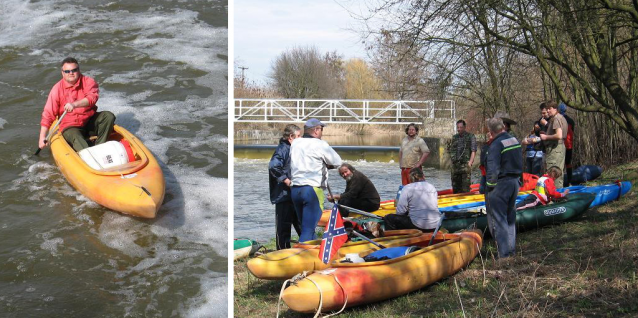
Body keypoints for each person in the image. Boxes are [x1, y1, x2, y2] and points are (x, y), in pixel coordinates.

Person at [39, 57, 115, 152]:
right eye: (67, 71)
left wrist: (74, 104)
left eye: (74, 70)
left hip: (89, 121)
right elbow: (48, 114)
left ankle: (100, 147)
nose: (71, 73)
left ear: (79, 70)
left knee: (108, 116)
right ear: (62, 73)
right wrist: (42, 137)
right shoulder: (56, 89)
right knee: (76, 137)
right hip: (70, 126)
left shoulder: (89, 81)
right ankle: (89, 156)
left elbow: (92, 98)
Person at [290, 118, 342, 242]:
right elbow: (337, 161)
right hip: (312, 190)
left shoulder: (295, 143)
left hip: (295, 189)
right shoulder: (320, 144)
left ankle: (312, 253)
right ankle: (301, 256)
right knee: (308, 230)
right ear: (316, 130)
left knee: (306, 227)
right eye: (321, 129)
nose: (322, 132)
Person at [485, 117, 523, 259]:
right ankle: (511, 251)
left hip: (501, 185)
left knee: (499, 220)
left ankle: (504, 255)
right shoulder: (514, 140)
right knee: (510, 218)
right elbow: (520, 161)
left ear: (490, 131)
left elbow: (493, 169)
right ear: (502, 127)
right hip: (515, 182)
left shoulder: (495, 145)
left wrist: (489, 187)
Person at [268, 124, 302, 250]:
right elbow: (273, 166)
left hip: (293, 195)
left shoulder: (293, 148)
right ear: (291, 137)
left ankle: (308, 251)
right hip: (283, 196)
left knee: (301, 226)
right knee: (283, 230)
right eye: (299, 136)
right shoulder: (283, 149)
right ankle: (282, 253)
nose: (301, 138)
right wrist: (286, 180)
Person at [384, 167, 441, 232]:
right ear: (423, 176)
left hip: (419, 226)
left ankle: (393, 239)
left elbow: (400, 212)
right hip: (436, 225)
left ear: (410, 178)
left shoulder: (407, 188)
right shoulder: (431, 186)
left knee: (388, 218)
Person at [540, 101, 568, 188]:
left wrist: (545, 137)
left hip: (555, 149)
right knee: (558, 172)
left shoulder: (556, 118)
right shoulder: (561, 117)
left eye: (549, 109)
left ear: (555, 109)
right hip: (559, 149)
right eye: (547, 109)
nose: (548, 111)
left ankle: (555, 197)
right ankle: (558, 195)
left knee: (553, 173)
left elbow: (559, 135)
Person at [448, 119, 477, 193]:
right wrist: (452, 163)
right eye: (458, 127)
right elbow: (451, 151)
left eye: (461, 127)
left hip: (465, 164)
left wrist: (470, 163)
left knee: (465, 188)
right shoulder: (454, 137)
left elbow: (473, 150)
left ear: (464, 127)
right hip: (455, 166)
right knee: (455, 188)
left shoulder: (471, 136)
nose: (459, 129)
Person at [559, 103, 576, 186]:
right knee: (568, 163)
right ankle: (570, 182)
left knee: (560, 165)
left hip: (561, 145)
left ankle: (561, 182)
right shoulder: (571, 120)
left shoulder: (558, 119)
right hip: (569, 145)